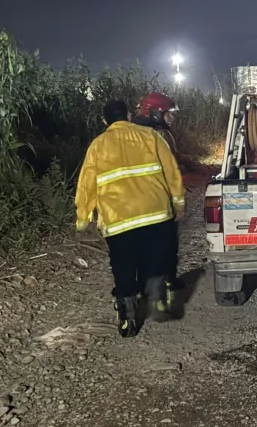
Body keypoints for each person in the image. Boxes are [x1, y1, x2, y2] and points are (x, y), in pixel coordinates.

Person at [75, 100, 185, 337]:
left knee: (123, 266)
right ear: (128, 116)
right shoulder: (150, 136)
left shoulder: (98, 146)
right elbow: (172, 171)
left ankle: (127, 317)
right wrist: (179, 203)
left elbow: (86, 185)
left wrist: (83, 217)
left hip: (119, 219)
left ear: (104, 121)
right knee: (154, 258)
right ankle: (156, 299)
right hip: (155, 213)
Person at [132, 92, 185, 303]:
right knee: (167, 242)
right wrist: (178, 200)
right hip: (159, 197)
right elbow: (171, 167)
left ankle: (141, 285)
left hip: (134, 198)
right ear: (156, 113)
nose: (171, 117)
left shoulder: (130, 132)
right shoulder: (160, 136)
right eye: (168, 113)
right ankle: (167, 282)